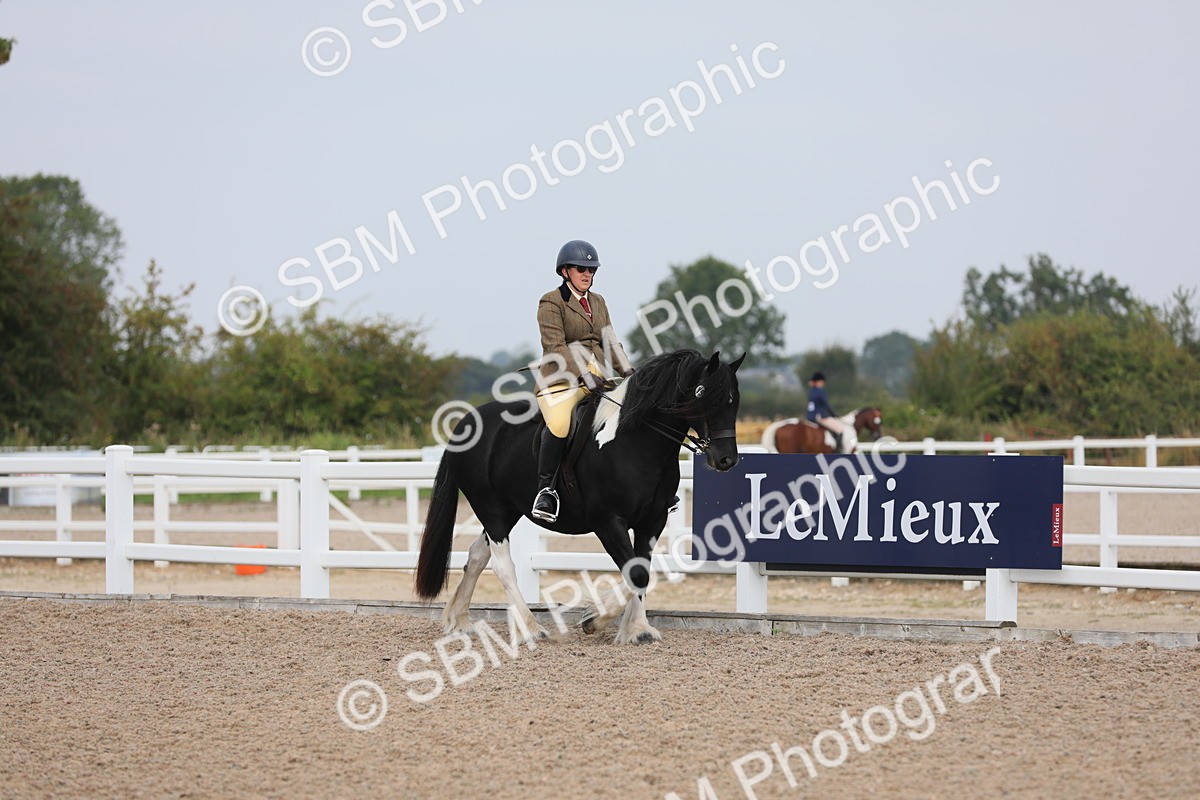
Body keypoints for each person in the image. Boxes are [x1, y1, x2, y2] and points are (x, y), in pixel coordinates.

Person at [531, 239, 634, 523]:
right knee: (561, 422)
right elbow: (555, 345)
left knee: (627, 412)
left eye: (591, 269)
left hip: (597, 376)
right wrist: (584, 374)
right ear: (565, 271)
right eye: (581, 269)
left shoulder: (598, 301)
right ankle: (546, 491)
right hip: (560, 379)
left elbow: (610, 341)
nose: (587, 274)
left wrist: (630, 374)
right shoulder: (551, 302)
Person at [806, 370, 846, 453]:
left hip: (809, 416)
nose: (823, 384)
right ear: (819, 382)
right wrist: (834, 414)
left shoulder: (811, 391)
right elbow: (826, 405)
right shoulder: (820, 391)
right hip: (819, 416)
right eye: (822, 382)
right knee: (840, 430)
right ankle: (838, 451)